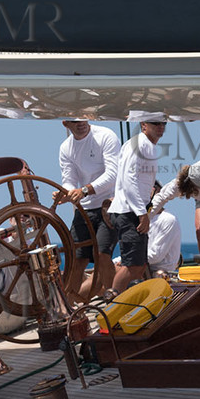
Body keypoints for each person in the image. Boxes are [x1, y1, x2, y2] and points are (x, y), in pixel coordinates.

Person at [52, 118, 120, 301]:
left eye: (83, 117)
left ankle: (115, 302)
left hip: (110, 205)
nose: (80, 122)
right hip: (85, 209)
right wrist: (66, 194)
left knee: (102, 254)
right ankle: (69, 307)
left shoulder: (106, 136)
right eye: (74, 121)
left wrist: (83, 191)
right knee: (76, 259)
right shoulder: (65, 148)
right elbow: (69, 179)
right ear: (66, 124)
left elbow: (113, 174)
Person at [108, 110, 168, 292]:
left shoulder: (142, 144)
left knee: (138, 265)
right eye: (155, 123)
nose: (160, 127)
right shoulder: (141, 144)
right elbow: (129, 179)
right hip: (129, 213)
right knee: (133, 266)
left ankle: (117, 303)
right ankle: (112, 304)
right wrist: (142, 214)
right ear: (144, 125)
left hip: (128, 211)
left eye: (163, 123)